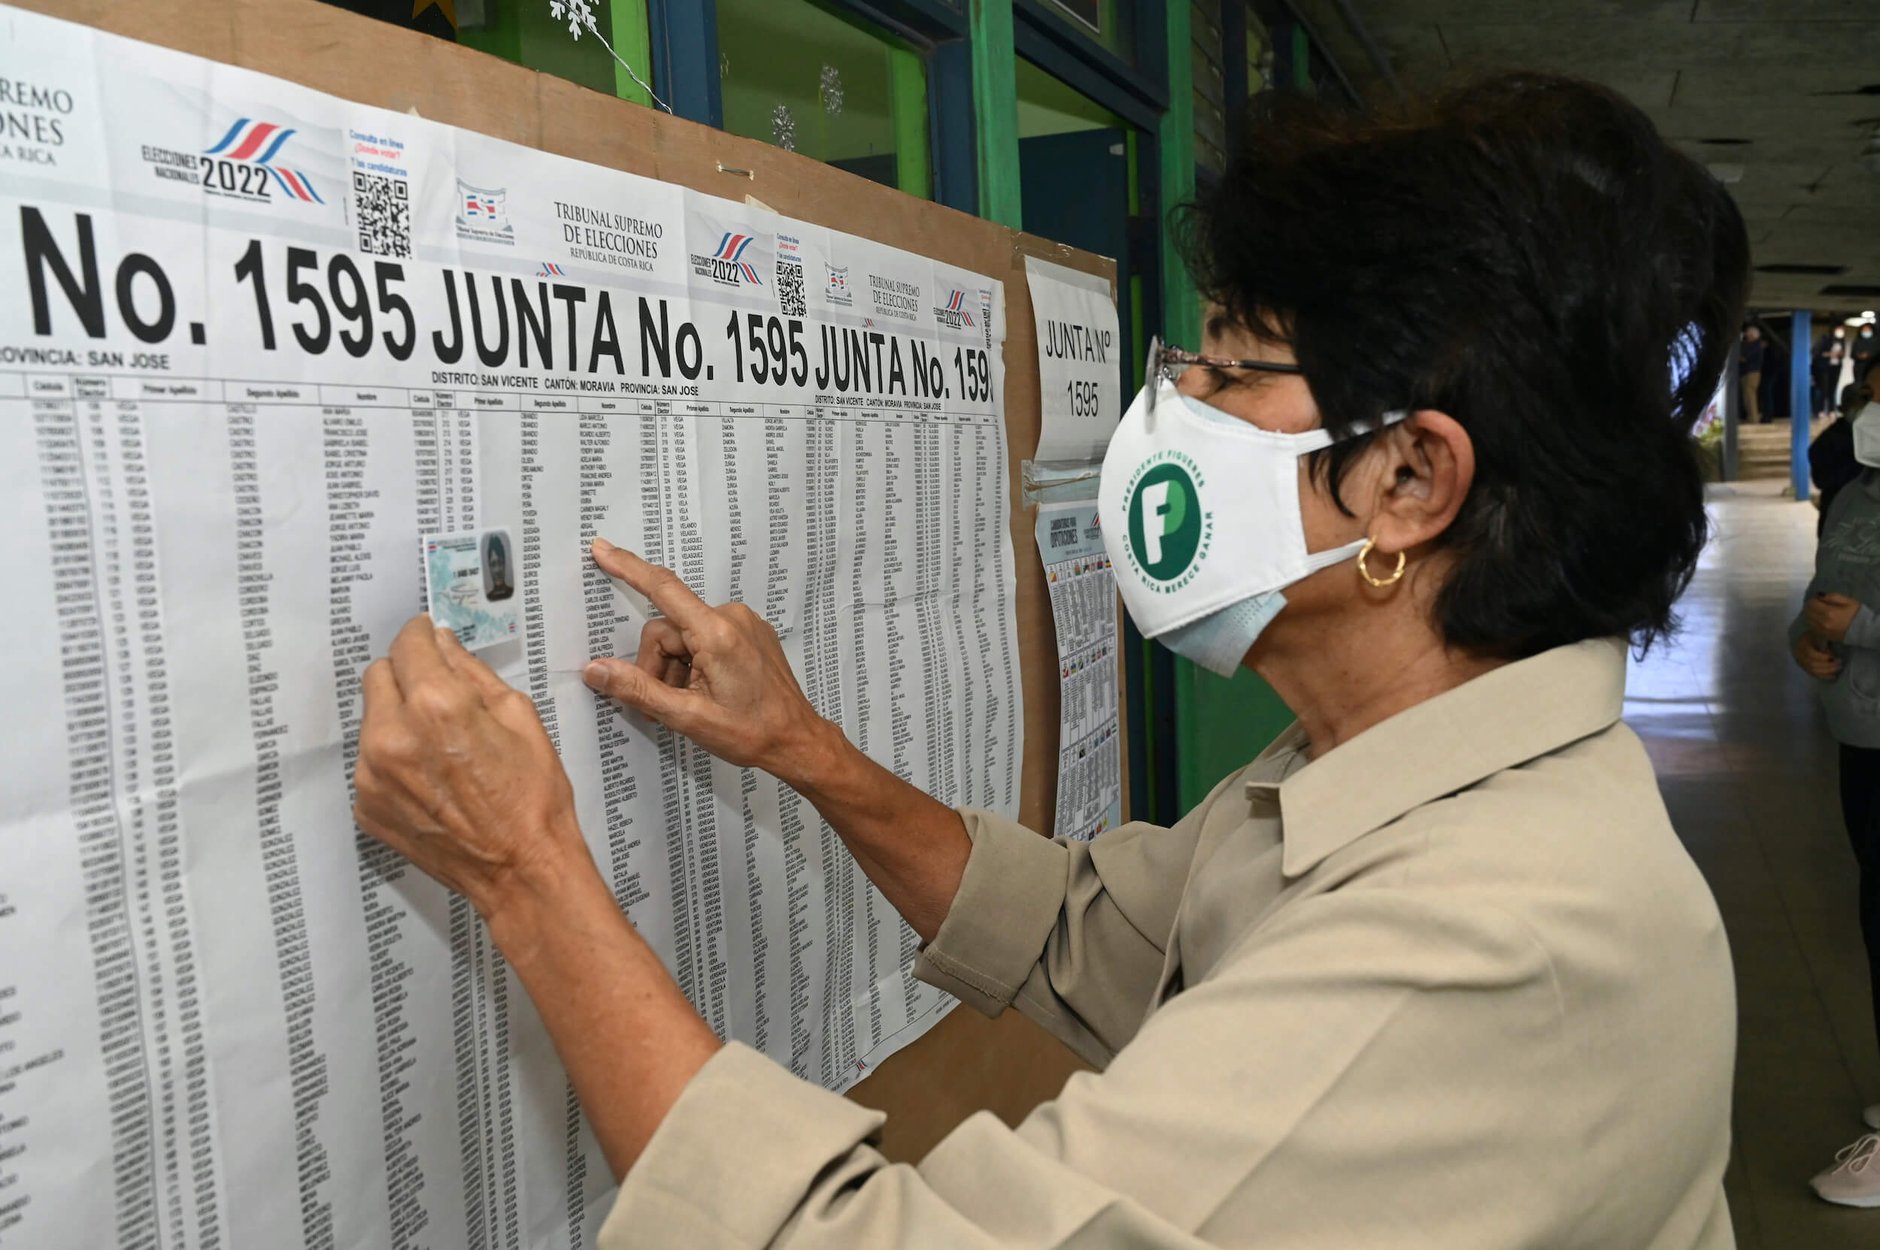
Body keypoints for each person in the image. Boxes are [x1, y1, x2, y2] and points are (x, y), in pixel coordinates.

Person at [353, 74, 1748, 1248]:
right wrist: (803, 750)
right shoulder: (1374, 765)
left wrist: (523, 871)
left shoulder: (1489, 939)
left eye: (1229, 370)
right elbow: (1092, 931)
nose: (1172, 408)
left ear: (1405, 480)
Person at [1790, 367, 1880, 1208]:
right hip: (1860, 736)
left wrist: (1866, 627)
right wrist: (1805, 637)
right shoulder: (1857, 492)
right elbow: (1825, 593)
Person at [1810, 379, 1871, 536]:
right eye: (1858, 405)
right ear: (1845, 408)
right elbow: (1822, 479)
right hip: (1840, 519)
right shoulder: (1828, 442)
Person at [1816, 326, 1848, 418]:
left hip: (1836, 367)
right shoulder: (1825, 340)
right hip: (1825, 368)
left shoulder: (1841, 341)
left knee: (1832, 389)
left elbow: (1843, 353)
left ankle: (1832, 410)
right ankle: (1821, 410)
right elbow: (1818, 353)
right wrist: (1830, 354)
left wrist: (1841, 354)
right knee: (1824, 389)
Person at [1741, 323, 1766, 423]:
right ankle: (1750, 417)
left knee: (1750, 395)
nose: (1745, 334)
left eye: (1747, 333)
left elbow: (1746, 357)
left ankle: (1754, 418)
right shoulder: (1749, 344)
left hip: (1753, 372)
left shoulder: (1756, 345)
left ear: (1752, 335)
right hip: (1746, 372)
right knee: (1746, 395)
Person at [483, 529, 515, 601]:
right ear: (489, 567)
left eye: (500, 563)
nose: (497, 570)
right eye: (493, 564)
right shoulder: (489, 597)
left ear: (505, 564)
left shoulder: (512, 592)